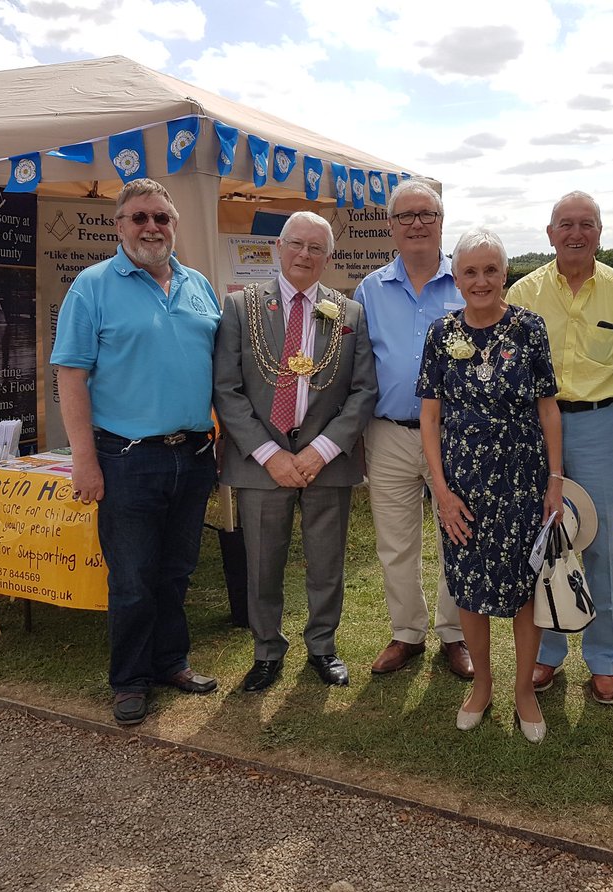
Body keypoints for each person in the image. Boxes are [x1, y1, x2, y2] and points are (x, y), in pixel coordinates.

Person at [51, 178, 220, 727]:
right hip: (126, 457)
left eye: (162, 218)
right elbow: (71, 376)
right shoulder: (92, 286)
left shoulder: (198, 285)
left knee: (176, 571)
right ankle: (129, 679)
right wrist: (84, 460)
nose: (152, 227)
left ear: (175, 225)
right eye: (140, 217)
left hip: (193, 455)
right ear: (119, 226)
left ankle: (171, 662)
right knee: (132, 578)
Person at [213, 211, 377, 693]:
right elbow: (227, 389)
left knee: (327, 562)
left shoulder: (349, 314)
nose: (305, 254)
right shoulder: (241, 307)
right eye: (297, 244)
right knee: (263, 565)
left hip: (326, 461)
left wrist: (320, 450)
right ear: (279, 248)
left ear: (328, 257)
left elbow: (363, 391)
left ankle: (323, 647)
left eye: (316, 247)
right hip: (262, 462)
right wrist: (271, 454)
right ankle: (266, 651)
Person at [418, 227, 563, 742]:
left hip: (522, 480)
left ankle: (524, 691)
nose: (480, 281)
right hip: (463, 486)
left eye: (490, 270)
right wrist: (441, 490)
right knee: (468, 588)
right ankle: (482, 685)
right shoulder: (441, 333)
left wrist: (554, 480)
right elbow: (429, 417)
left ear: (505, 274)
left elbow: (548, 409)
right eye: (470, 272)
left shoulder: (529, 328)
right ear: (456, 279)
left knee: (526, 586)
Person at [506, 191, 613, 705]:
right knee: (542, 539)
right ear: (550, 234)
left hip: (600, 425)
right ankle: (547, 652)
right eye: (565, 224)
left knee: (602, 544)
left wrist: (594, 407)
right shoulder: (523, 292)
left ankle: (605, 659)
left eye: (587, 223)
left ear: (600, 233)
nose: (576, 233)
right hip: (534, 428)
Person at [354, 179, 473, 680]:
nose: (417, 223)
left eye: (426, 214)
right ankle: (407, 632)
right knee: (395, 542)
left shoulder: (466, 281)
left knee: (458, 535)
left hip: (454, 435)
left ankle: (454, 633)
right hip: (388, 433)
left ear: (441, 222)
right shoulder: (369, 289)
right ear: (391, 226)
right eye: (406, 215)